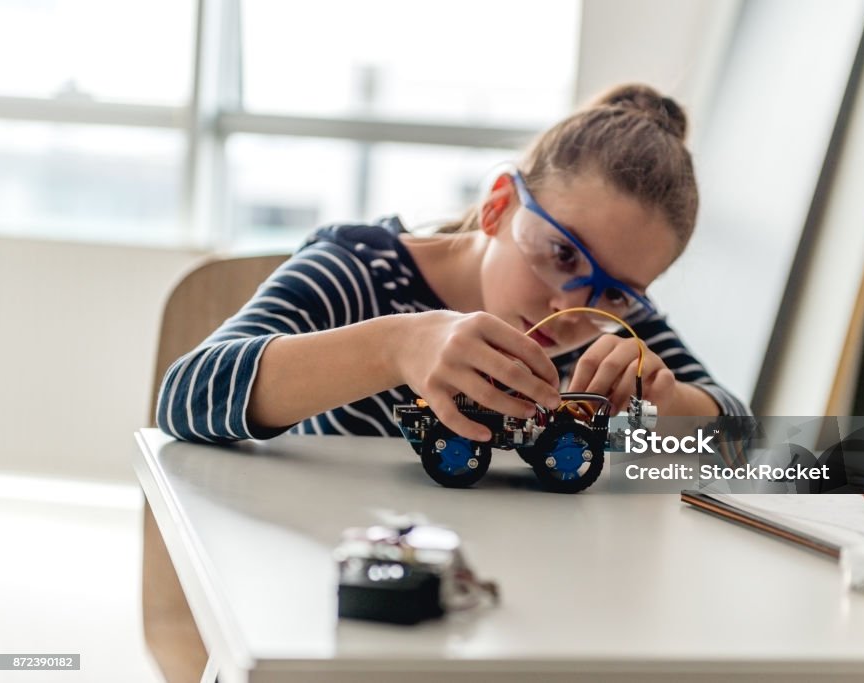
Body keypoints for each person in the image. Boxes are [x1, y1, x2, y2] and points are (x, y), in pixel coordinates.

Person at [157, 83, 748, 446]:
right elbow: (185, 397)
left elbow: (754, 450)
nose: (571, 308)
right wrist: (395, 347)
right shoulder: (362, 274)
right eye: (562, 253)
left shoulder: (610, 326)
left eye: (617, 292)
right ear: (497, 205)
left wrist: (670, 407)